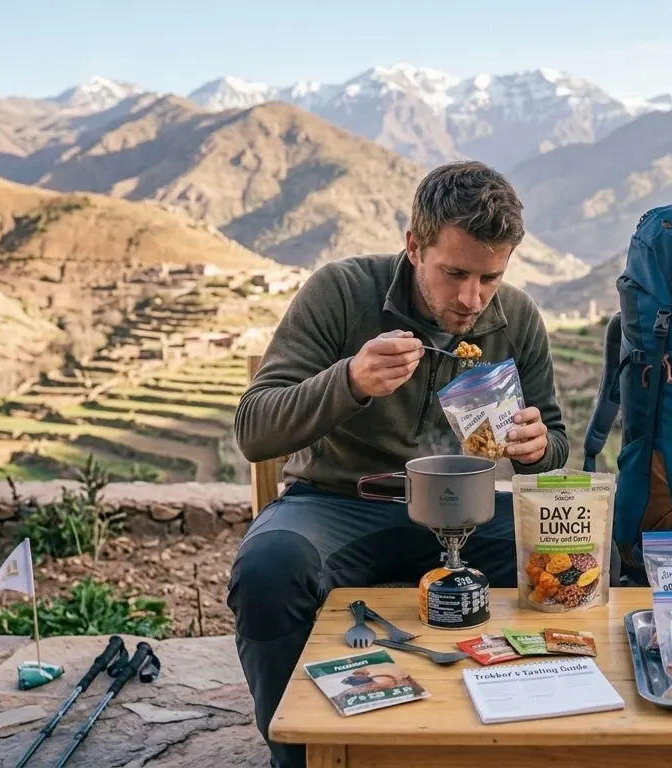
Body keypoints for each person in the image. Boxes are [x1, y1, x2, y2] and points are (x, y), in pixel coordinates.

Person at [227, 160, 571, 768]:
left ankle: (542, 740)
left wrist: (538, 447)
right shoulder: (341, 292)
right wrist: (351, 380)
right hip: (338, 505)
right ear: (414, 246)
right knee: (267, 572)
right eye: (455, 273)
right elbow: (255, 429)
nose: (471, 299)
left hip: (467, 508)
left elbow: (558, 447)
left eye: (489, 277)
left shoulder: (516, 317)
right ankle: (300, 756)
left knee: (587, 564)